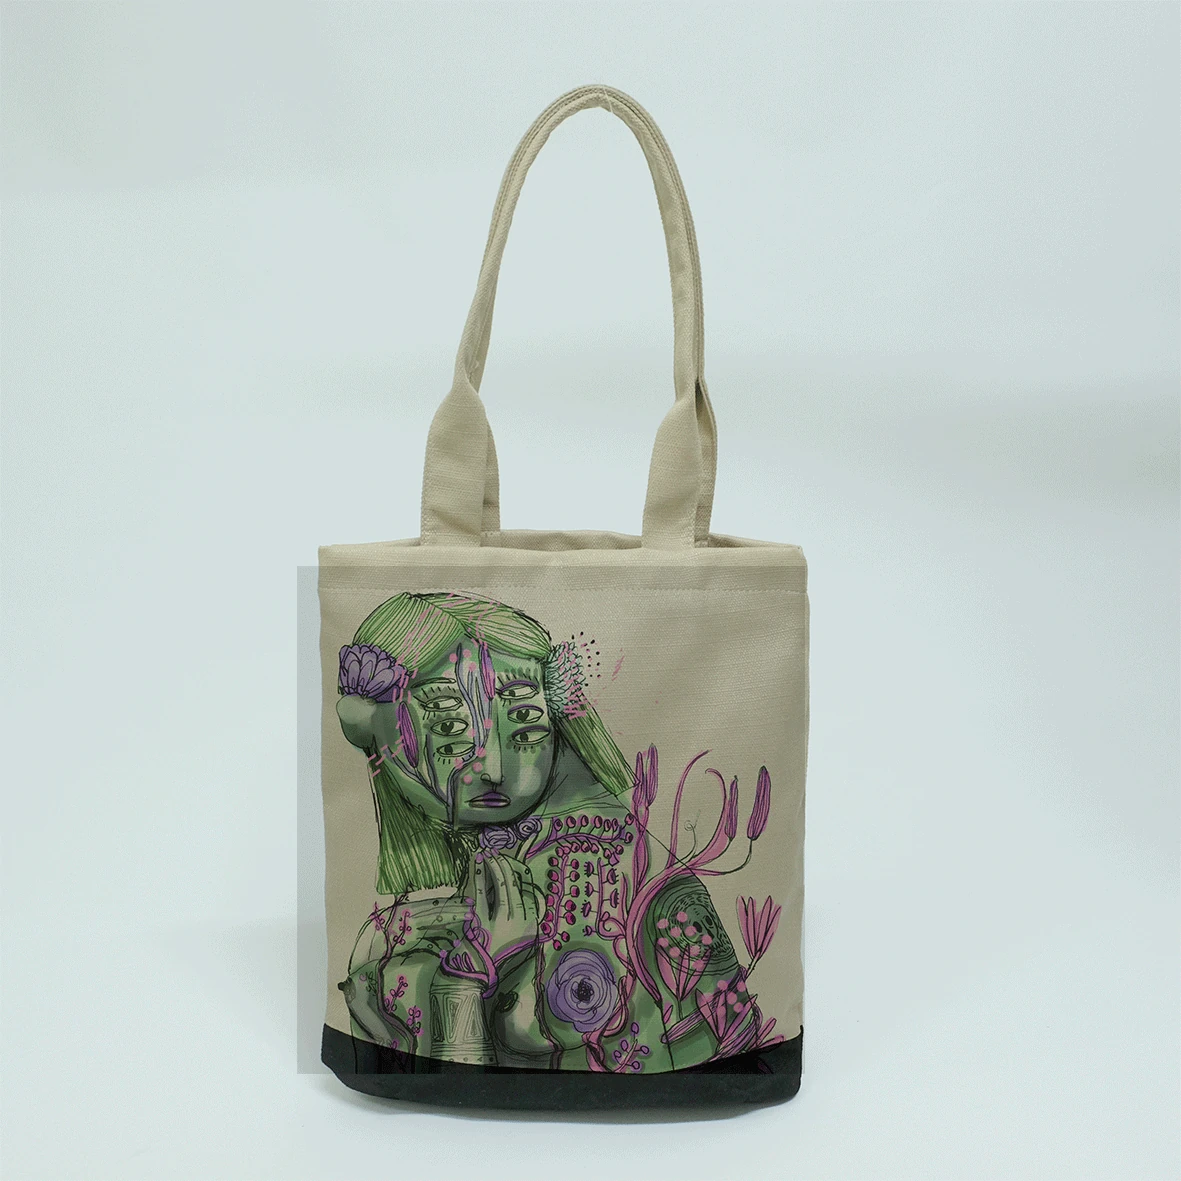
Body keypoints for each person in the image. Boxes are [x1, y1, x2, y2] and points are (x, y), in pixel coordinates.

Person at [335, 592, 777, 1072]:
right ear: (370, 728)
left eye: (524, 724)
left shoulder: (603, 873)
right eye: (449, 727)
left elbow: (468, 1086)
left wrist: (469, 975)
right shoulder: (505, 862)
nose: (494, 768)